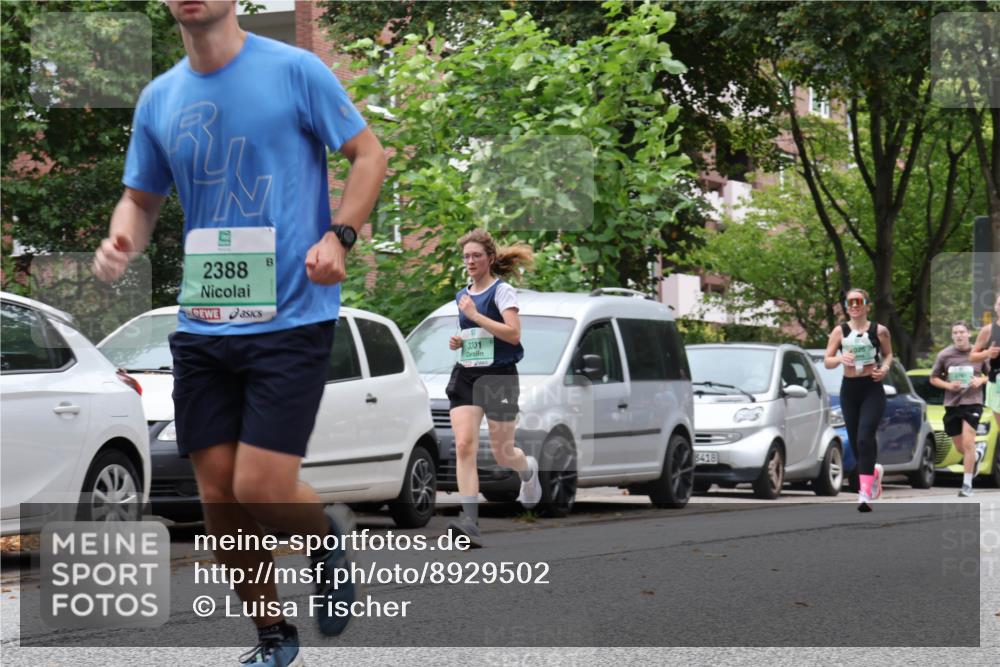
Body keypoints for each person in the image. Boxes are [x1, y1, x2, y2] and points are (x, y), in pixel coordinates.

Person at [92, 2, 387, 665]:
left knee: (259, 483)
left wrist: (340, 235)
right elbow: (140, 199)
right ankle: (272, 636)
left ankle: (325, 534)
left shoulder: (296, 70)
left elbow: (368, 155)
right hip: (204, 321)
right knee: (217, 491)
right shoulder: (160, 97)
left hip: (291, 315)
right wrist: (122, 238)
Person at [445, 229, 541, 547]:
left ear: (489, 258)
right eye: (467, 257)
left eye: (476, 256)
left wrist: (475, 315)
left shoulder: (502, 292)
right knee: (464, 446)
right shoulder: (463, 295)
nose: (470, 261)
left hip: (499, 376)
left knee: (503, 454)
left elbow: (513, 334)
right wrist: (460, 339)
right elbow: (475, 337)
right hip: (467, 375)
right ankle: (469, 521)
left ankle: (526, 469)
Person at [823, 288, 894, 512]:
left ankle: (864, 494)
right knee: (855, 443)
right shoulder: (839, 331)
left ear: (866, 304)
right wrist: (839, 358)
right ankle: (873, 473)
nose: (854, 306)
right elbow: (827, 361)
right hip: (849, 389)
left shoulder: (880, 330)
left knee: (865, 438)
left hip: (872, 389)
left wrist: (884, 368)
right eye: (850, 302)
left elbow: (889, 354)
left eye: (858, 301)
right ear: (846, 307)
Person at [930, 321, 989, 497]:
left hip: (973, 402)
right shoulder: (945, 355)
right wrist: (948, 385)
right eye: (955, 332)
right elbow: (933, 378)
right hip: (952, 404)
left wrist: (980, 380)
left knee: (968, 442)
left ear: (969, 334)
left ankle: (967, 485)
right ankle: (976, 457)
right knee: (959, 446)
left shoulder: (979, 354)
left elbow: (993, 374)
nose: (959, 335)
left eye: (962, 332)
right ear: (952, 336)